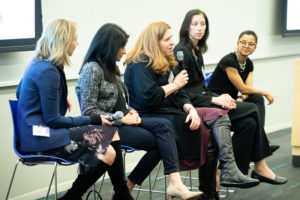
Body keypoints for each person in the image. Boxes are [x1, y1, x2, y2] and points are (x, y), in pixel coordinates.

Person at [123, 21, 259, 200]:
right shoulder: (140, 63)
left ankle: (228, 169)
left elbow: (181, 93)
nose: (172, 42)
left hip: (172, 110)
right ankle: (209, 194)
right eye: (167, 39)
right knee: (209, 136)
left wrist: (191, 109)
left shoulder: (166, 60)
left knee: (219, 114)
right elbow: (148, 98)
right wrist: (174, 85)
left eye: (171, 38)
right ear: (153, 42)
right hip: (152, 115)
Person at [76, 23, 202, 200]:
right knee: (163, 140)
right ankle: (127, 188)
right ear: (110, 46)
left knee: (165, 129)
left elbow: (120, 103)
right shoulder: (91, 69)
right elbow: (88, 112)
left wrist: (130, 111)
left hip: (121, 121)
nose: (125, 51)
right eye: (122, 46)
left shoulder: (111, 68)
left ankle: (171, 184)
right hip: (107, 128)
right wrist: (121, 118)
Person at [16, 19, 133, 200]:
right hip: (40, 136)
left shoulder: (39, 62)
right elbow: (53, 120)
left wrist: (56, 96)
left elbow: (19, 92)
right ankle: (73, 196)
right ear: (63, 40)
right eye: (75, 39)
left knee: (111, 132)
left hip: (37, 130)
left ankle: (119, 196)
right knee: (107, 153)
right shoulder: (48, 70)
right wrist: (94, 119)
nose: (77, 43)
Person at [173, 9, 287, 187]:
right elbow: (184, 93)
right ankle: (259, 164)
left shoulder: (196, 51)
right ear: (186, 27)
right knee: (253, 108)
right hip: (197, 109)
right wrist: (216, 100)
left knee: (249, 124)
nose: (199, 28)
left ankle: (228, 172)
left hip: (209, 101)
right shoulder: (181, 52)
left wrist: (220, 97)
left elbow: (202, 88)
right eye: (195, 24)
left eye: (203, 24)